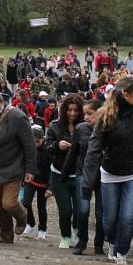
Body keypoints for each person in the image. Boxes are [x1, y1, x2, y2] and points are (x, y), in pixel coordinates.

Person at [82, 75, 133, 264]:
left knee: (127, 217)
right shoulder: (106, 116)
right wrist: (87, 183)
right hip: (110, 172)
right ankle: (112, 241)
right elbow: (93, 151)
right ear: (126, 95)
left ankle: (121, 251)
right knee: (109, 219)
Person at [0, 88, 36, 244]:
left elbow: (29, 145)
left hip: (13, 167)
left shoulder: (17, 117)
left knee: (9, 204)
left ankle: (22, 216)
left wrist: (30, 169)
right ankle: (6, 236)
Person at [45, 94, 84, 248]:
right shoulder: (55, 126)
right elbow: (46, 147)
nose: (72, 113)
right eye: (69, 110)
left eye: (75, 110)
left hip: (79, 174)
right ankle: (65, 235)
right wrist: (57, 145)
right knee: (65, 210)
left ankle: (76, 229)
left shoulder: (86, 126)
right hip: (59, 174)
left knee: (81, 210)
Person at [70, 99, 104, 255]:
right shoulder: (80, 129)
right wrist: (63, 175)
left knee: (101, 212)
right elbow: (73, 153)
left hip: (103, 176)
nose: (86, 117)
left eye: (89, 114)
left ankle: (99, 243)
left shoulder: (107, 129)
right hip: (83, 173)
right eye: (85, 114)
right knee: (82, 210)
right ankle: (82, 240)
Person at [21, 125, 51, 239]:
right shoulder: (28, 148)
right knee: (25, 202)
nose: (35, 143)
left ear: (42, 139)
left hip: (44, 182)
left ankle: (42, 228)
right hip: (31, 179)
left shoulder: (48, 149)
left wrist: (50, 187)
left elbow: (52, 169)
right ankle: (30, 222)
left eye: (37, 141)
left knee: (41, 207)